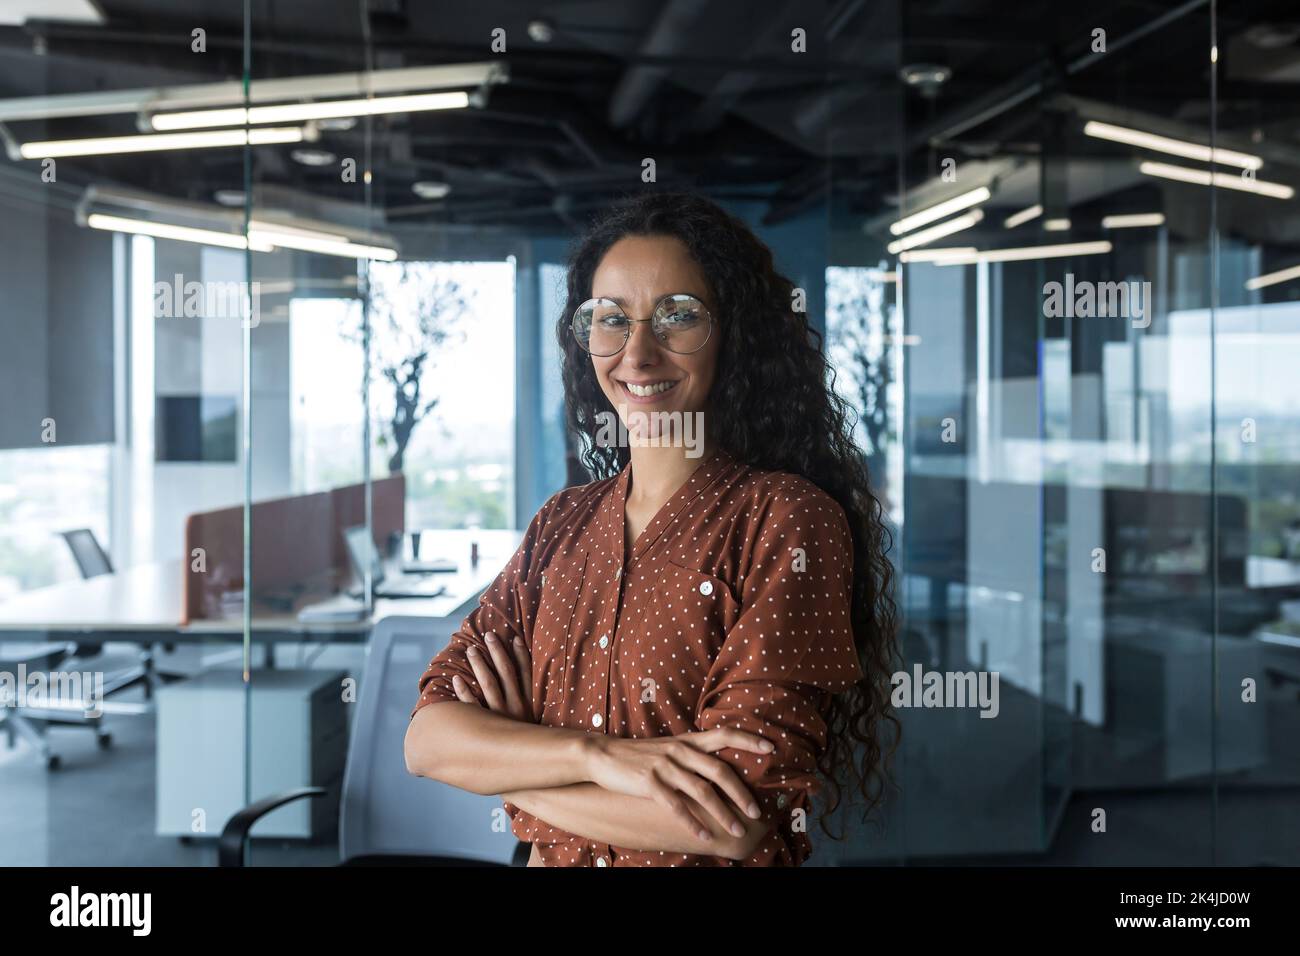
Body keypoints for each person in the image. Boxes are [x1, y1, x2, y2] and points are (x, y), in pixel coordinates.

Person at [404, 192, 899, 866]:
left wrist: (512, 772)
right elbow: (427, 742)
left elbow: (732, 819)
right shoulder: (560, 524)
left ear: (736, 334)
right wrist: (599, 759)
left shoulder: (787, 523)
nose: (637, 353)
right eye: (611, 320)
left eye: (678, 317)